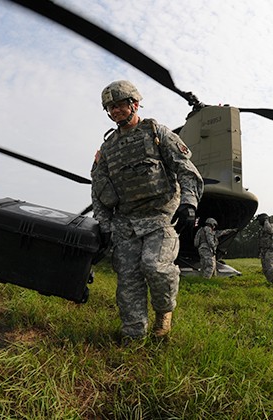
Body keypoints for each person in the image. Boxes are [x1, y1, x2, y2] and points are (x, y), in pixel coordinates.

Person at [90, 80, 204, 340]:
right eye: (110, 107)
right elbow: (98, 191)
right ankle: (133, 335)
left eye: (118, 105)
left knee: (155, 266)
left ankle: (164, 314)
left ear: (134, 104)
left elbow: (186, 170)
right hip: (126, 223)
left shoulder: (157, 133)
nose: (115, 111)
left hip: (160, 217)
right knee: (128, 280)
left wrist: (189, 204)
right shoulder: (107, 150)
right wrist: (105, 226)